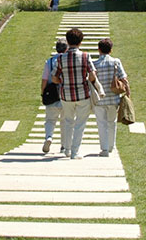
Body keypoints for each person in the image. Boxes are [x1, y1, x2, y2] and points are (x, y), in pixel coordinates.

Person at [51, 27, 97, 159]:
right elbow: (92, 75)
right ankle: (75, 151)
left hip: (66, 94)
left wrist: (62, 80)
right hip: (83, 94)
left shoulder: (60, 58)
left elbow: (54, 78)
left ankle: (66, 148)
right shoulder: (85, 56)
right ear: (80, 42)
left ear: (68, 41)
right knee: (80, 124)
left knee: (68, 121)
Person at [92, 38, 129, 157]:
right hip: (114, 98)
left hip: (99, 99)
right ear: (111, 50)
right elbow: (124, 78)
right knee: (112, 123)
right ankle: (111, 146)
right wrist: (128, 92)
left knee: (101, 124)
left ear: (99, 50)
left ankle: (104, 149)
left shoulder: (95, 64)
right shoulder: (116, 62)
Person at [40, 39, 68, 154]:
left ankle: (49, 137)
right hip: (66, 94)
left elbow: (44, 79)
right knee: (65, 122)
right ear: (66, 49)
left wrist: (42, 92)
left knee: (50, 120)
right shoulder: (67, 61)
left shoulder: (50, 62)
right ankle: (64, 145)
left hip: (52, 94)